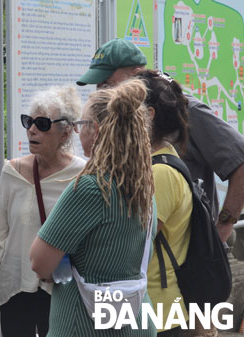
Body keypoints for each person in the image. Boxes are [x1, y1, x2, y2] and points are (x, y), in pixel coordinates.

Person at [77, 38, 244, 243]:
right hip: (144, 255)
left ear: (137, 73)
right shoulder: (120, 121)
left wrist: (222, 228)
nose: (104, 93)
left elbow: (241, 163)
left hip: (191, 257)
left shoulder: (185, 111)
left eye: (107, 84)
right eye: (98, 87)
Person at [30, 79, 157, 337]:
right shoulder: (143, 188)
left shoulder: (90, 189)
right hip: (138, 322)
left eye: (80, 125)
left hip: (84, 326)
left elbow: (39, 262)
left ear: (95, 130)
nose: (77, 132)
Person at [0, 85, 86, 337]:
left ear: (65, 132)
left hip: (60, 292)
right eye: (29, 122)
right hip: (14, 290)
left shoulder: (82, 176)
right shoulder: (12, 172)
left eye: (42, 123)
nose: (32, 130)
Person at [138, 69, 193, 336]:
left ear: (149, 115)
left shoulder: (160, 172)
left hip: (159, 312)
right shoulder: (163, 158)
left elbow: (137, 242)